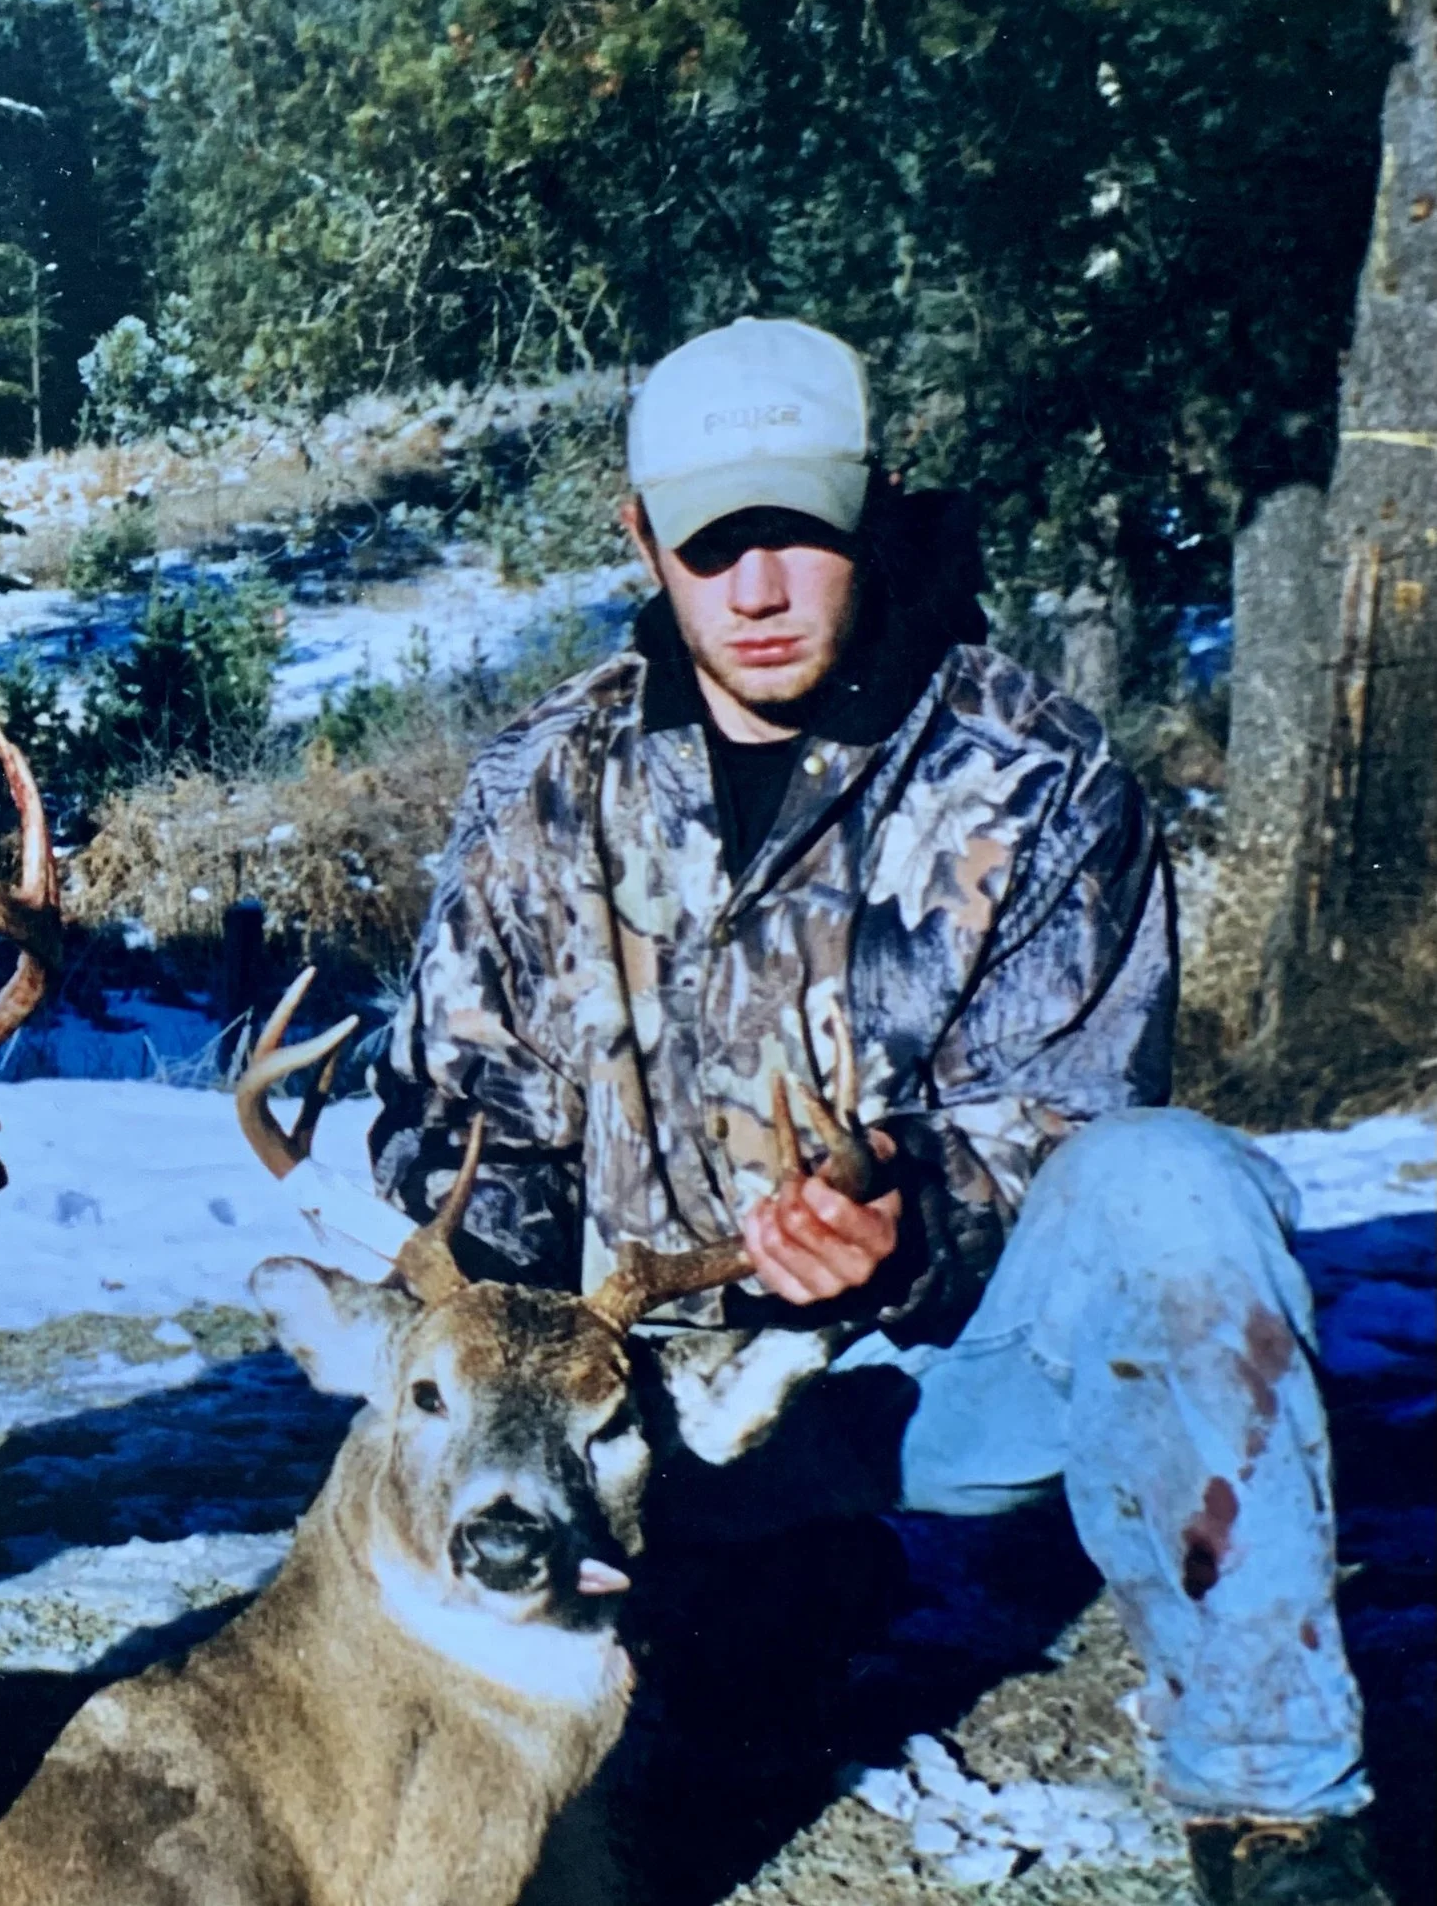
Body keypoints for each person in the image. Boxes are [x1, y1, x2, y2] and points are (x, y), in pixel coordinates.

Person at [371, 318, 1390, 1906]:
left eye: (802, 533)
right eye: (715, 546)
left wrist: (917, 1212)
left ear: (877, 508)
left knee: (1184, 1191)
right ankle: (741, 1601)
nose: (761, 590)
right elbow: (461, 1130)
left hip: (940, 1373)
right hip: (648, 1419)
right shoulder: (542, 789)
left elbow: (1076, 1121)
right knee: (677, 1754)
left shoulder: (1039, 775)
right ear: (643, 540)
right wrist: (530, 1360)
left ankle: (1281, 1830)